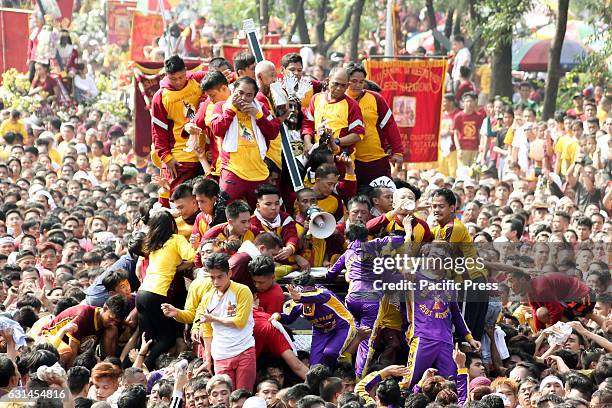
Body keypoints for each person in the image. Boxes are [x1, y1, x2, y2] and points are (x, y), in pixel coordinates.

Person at [326, 221, 411, 377]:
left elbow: (330, 274)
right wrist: (408, 228)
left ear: (347, 238)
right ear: (367, 237)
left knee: (353, 335)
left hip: (351, 299)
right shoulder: (374, 245)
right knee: (366, 342)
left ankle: (341, 373)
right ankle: (359, 377)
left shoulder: (347, 253)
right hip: (371, 300)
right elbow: (399, 240)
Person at [136, 210, 196, 369]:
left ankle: (130, 366)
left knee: (146, 338)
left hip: (142, 293)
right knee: (167, 338)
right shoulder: (176, 239)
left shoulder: (153, 244)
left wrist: (174, 267)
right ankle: (146, 367)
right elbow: (193, 257)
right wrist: (179, 266)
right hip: (157, 294)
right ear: (171, 224)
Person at [210, 76, 281, 208]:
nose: (243, 98)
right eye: (240, 93)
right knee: (221, 211)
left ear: (254, 97)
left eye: (249, 95)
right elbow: (217, 130)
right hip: (233, 171)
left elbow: (273, 133)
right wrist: (231, 111)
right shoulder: (221, 106)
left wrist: (258, 116)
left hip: (259, 173)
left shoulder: (260, 108)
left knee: (264, 214)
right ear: (233, 91)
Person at [199, 253, 257, 391]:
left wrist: (214, 319)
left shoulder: (242, 291)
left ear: (229, 273)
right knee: (224, 400)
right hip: (220, 356)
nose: (216, 282)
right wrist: (208, 360)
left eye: (220, 277)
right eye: (212, 278)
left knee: (243, 396)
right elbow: (207, 332)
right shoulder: (207, 297)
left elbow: (240, 322)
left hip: (244, 351)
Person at [151, 56, 206, 202]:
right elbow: (158, 131)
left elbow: (218, 79)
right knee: (174, 198)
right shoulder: (160, 97)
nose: (178, 82)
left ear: (186, 72)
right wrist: (167, 158)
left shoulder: (198, 80)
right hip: (180, 156)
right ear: (166, 76)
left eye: (181, 77)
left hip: (205, 151)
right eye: (173, 79)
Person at [270, 274, 355, 368]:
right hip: (320, 332)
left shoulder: (324, 294)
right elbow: (289, 318)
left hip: (342, 326)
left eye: (306, 291)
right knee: (314, 365)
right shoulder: (298, 301)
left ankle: (336, 376)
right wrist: (278, 316)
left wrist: (300, 297)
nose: (303, 294)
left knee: (330, 353)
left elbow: (316, 296)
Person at [344, 63, 403, 189]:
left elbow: (390, 125)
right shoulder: (339, 100)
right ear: (345, 81)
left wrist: (398, 152)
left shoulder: (376, 98)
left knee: (384, 199)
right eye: (353, 81)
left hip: (377, 160)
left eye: (361, 82)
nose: (357, 85)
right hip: (350, 162)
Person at [302, 67, 365, 168]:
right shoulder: (316, 98)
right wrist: (308, 143)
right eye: (335, 84)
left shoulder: (352, 105)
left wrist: (335, 141)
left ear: (347, 85)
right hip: (316, 158)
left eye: (343, 85)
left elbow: (358, 134)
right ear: (327, 81)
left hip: (341, 161)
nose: (339, 88)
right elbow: (308, 123)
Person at [39, 295, 129, 367]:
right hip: (48, 339)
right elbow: (73, 349)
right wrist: (72, 373)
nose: (112, 323)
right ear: (105, 308)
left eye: (116, 322)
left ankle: (108, 366)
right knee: (67, 352)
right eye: (111, 319)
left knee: (112, 330)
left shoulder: (109, 322)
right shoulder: (83, 316)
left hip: (78, 349)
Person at [453, 92, 485, 169]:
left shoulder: (479, 116)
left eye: (471, 101)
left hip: (475, 148)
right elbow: (456, 134)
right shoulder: (458, 116)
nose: (469, 104)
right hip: (463, 149)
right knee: (463, 172)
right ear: (463, 103)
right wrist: (458, 149)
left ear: (474, 102)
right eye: (467, 101)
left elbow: (480, 133)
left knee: (474, 171)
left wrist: (481, 146)